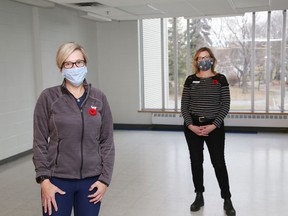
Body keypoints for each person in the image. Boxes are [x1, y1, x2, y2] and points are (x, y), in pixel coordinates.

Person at [33, 42, 115, 216]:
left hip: (92, 182)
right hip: (57, 181)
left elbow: (107, 142)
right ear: (60, 67)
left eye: (79, 62)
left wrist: (104, 180)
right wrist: (44, 181)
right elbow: (40, 142)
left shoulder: (99, 98)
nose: (74, 67)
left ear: (85, 63)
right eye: (68, 63)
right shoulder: (48, 98)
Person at [181, 47, 236, 216]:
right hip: (192, 127)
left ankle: (227, 199)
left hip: (215, 127)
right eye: (199, 58)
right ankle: (199, 195)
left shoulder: (220, 79)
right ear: (196, 62)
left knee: (218, 162)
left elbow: (225, 105)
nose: (203, 60)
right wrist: (191, 126)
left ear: (212, 59)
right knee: (196, 162)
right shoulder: (190, 80)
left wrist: (214, 125)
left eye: (206, 57)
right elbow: (184, 106)